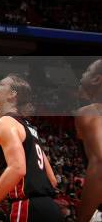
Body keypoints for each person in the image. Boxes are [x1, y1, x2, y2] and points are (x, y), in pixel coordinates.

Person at [0, 75, 61, 221]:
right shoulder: (29, 128)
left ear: (12, 94)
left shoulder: (5, 122)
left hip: (28, 207)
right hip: (50, 208)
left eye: (1, 84)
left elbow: (18, 168)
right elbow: (52, 180)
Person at [74, 59, 102, 222]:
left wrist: (82, 219)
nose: (82, 74)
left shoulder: (92, 112)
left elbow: (100, 163)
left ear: (96, 79)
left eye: (87, 70)